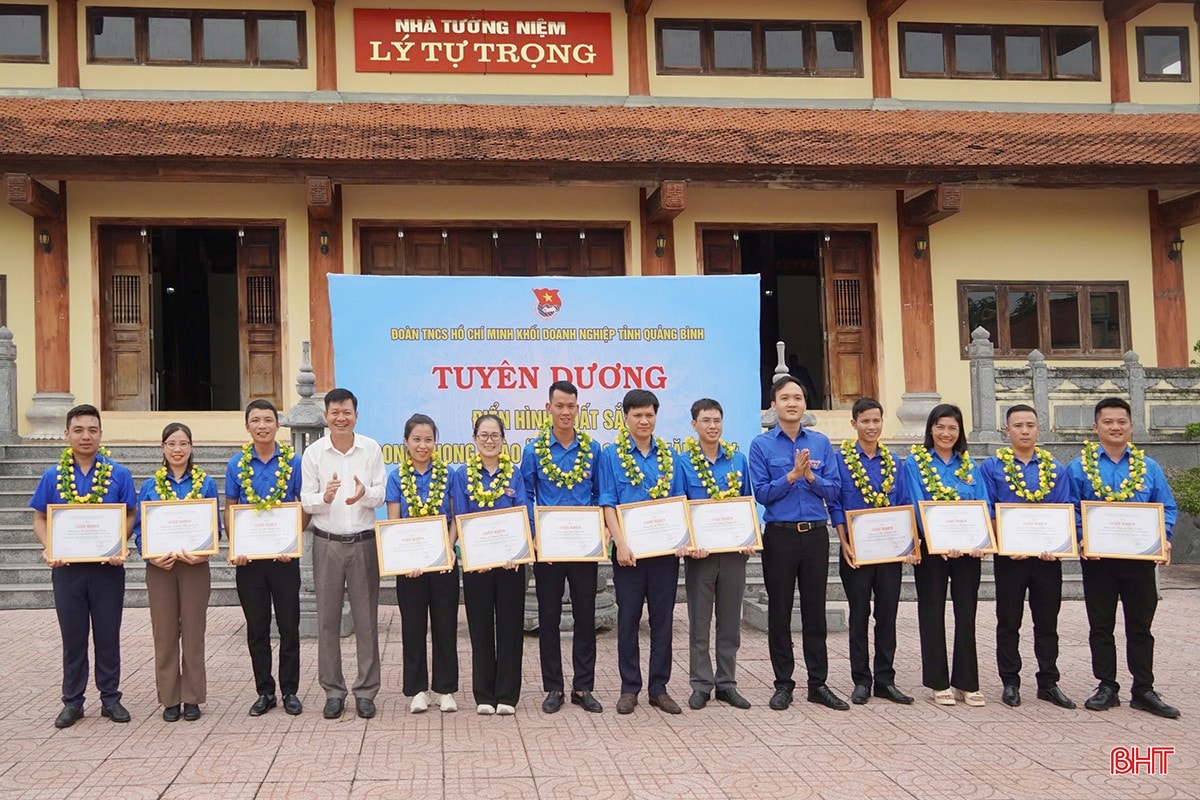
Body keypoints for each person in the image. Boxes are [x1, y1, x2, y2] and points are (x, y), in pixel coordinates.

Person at [1067, 397, 1180, 719]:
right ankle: (1107, 686)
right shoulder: (1080, 467)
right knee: (1100, 625)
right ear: (1096, 427)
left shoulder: (1149, 467)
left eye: (1121, 422)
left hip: (1140, 560)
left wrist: (1164, 538)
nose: (1115, 427)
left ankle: (1144, 689)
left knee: (1140, 626)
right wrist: (1082, 536)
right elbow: (1073, 508)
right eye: (1108, 422)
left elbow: (1166, 506)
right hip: (1099, 560)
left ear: (1131, 426)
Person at [30, 404, 137, 728]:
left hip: (107, 568)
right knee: (73, 637)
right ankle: (72, 701)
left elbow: (131, 513)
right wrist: (50, 546)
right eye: (78, 430)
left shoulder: (118, 474)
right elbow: (39, 517)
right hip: (68, 570)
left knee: (108, 634)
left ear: (101, 434)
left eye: (92, 430)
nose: (86, 436)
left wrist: (120, 540)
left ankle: (110, 698)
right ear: (67, 434)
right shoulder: (53, 475)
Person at [748, 375, 847, 711]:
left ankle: (818, 684)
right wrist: (791, 476)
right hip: (780, 536)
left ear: (805, 404)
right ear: (773, 405)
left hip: (816, 535)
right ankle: (783, 683)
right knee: (780, 611)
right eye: (785, 398)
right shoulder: (761, 446)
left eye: (798, 398)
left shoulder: (820, 443)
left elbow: (834, 490)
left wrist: (810, 477)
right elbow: (761, 493)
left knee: (814, 611)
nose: (792, 403)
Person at [979, 404, 1076, 710]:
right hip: (1011, 557)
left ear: (1038, 429)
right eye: (1018, 425)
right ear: (1006, 431)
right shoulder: (992, 468)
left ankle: (1048, 681)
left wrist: (1058, 546)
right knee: (1009, 621)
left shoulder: (1055, 468)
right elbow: (988, 509)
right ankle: (1010, 681)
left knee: (1047, 621)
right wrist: (1006, 543)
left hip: (1048, 558)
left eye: (1030, 425)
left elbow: (1065, 509)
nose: (1024, 431)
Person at [301, 387, 387, 720]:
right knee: (327, 622)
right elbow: (305, 500)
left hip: (364, 542)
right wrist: (325, 497)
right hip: (327, 543)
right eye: (334, 412)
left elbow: (380, 494)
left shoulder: (371, 449)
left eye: (346, 412)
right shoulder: (314, 454)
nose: (340, 417)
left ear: (356, 415)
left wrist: (364, 494)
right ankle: (333, 691)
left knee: (367, 622)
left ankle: (366, 691)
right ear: (326, 417)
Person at [599, 389, 687, 715]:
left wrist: (680, 538)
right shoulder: (611, 456)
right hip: (628, 555)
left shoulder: (669, 456)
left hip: (664, 555)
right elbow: (608, 502)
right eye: (637, 415)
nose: (644, 420)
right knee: (629, 620)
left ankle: (659, 688)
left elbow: (678, 503)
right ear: (625, 417)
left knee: (663, 621)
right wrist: (619, 543)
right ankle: (629, 688)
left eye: (649, 414)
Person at [520, 381, 603, 714]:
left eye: (571, 406)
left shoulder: (593, 448)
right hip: (549, 549)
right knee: (549, 617)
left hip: (584, 546)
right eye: (559, 406)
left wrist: (599, 528)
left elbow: (599, 492)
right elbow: (526, 493)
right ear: (548, 408)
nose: (565, 412)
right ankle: (553, 686)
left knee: (585, 616)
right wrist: (533, 533)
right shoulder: (534, 451)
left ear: (577, 408)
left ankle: (583, 687)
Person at [827, 397, 915, 706]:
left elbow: (904, 504)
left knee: (887, 616)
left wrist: (909, 545)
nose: (871, 426)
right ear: (854, 424)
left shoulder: (894, 463)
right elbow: (835, 503)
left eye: (876, 420)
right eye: (865, 421)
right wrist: (844, 542)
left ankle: (885, 680)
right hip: (856, 552)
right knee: (859, 615)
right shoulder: (840, 461)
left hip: (889, 553)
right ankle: (861, 680)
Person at [902, 403, 991, 707]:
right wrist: (933, 539)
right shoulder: (915, 463)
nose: (946, 433)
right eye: (940, 426)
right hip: (931, 549)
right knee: (932, 612)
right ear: (930, 429)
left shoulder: (968, 466)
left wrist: (983, 540)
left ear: (960, 431)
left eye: (952, 427)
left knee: (966, 614)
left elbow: (983, 504)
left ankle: (967, 682)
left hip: (967, 550)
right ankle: (938, 682)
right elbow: (915, 502)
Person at [134, 422, 220, 722]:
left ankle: (193, 696)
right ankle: (170, 698)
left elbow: (214, 526)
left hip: (195, 566)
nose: (177, 449)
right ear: (162, 448)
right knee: (165, 632)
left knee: (194, 632)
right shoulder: (150, 486)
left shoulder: (205, 483)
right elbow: (140, 529)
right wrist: (151, 555)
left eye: (183, 443)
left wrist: (203, 552)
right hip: (161, 568)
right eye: (171, 443)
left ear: (191, 447)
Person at [225, 399, 304, 717]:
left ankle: (289, 691)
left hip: (284, 560)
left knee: (289, 626)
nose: (262, 425)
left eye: (268, 419)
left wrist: (293, 542)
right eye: (255, 420)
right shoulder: (236, 464)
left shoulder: (293, 462)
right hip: (250, 562)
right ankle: (264, 691)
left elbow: (302, 506)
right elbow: (231, 507)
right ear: (247, 426)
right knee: (257, 628)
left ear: (277, 424)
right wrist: (236, 546)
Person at [451, 413, 530, 716]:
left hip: (511, 564)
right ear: (474, 439)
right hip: (477, 565)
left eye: (495, 435)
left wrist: (519, 550)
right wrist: (468, 553)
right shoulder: (462, 475)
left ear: (503, 440)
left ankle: (508, 695)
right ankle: (484, 693)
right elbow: (460, 517)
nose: (489, 441)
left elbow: (521, 510)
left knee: (510, 627)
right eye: (483, 435)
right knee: (480, 627)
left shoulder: (514, 474)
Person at [679, 398, 754, 711]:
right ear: (694, 425)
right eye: (706, 420)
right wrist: (688, 541)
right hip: (701, 556)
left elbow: (748, 501)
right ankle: (700, 684)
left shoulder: (738, 461)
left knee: (729, 623)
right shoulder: (682, 463)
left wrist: (750, 536)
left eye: (717, 420)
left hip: (734, 554)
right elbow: (679, 507)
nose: (712, 426)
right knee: (699, 621)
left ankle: (727, 683)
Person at [386, 413, 460, 714]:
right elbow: (393, 521)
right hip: (410, 566)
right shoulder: (396, 476)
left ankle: (445, 690)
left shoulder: (449, 474)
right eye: (416, 439)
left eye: (428, 439)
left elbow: (455, 518)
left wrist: (450, 548)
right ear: (406, 442)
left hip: (443, 563)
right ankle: (416, 690)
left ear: (435, 442)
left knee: (445, 625)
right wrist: (403, 559)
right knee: (413, 626)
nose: (422, 445)